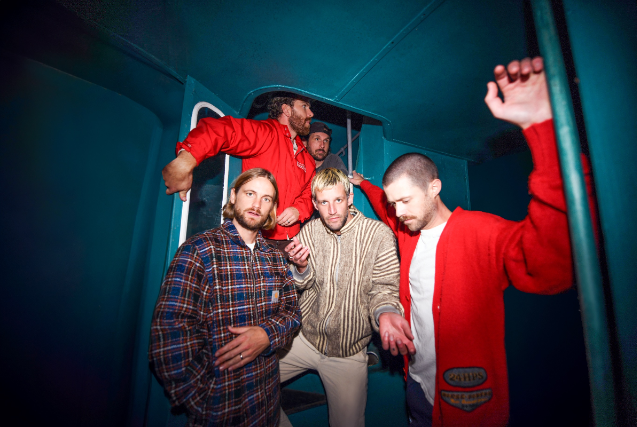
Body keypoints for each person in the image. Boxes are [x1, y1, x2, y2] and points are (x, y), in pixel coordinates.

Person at [349, 57, 595, 426]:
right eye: (393, 202)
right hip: (417, 386)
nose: (397, 212)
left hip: (468, 402)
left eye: (405, 201)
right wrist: (364, 184)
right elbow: (385, 208)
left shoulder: (481, 230)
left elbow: (552, 267)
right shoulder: (405, 228)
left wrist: (542, 128)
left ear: (435, 187)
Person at [149, 168, 302, 427]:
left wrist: (267, 334)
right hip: (220, 412)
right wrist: (204, 401)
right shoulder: (199, 250)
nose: (257, 204)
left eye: (266, 199)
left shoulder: (275, 258)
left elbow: (292, 313)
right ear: (233, 196)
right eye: (250, 194)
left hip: (267, 407)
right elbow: (169, 338)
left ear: (272, 208)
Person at [280, 168, 413, 427]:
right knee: (244, 385)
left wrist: (386, 312)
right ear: (315, 204)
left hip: (348, 352)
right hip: (303, 340)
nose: (332, 211)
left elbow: (384, 288)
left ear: (349, 198)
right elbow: (301, 284)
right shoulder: (309, 231)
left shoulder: (378, 235)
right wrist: (301, 268)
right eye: (324, 202)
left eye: (338, 200)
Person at [162, 93, 317, 251]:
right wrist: (186, 160)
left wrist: (298, 210)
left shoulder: (307, 159)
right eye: (304, 106)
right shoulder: (265, 133)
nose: (311, 113)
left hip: (289, 241)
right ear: (287, 110)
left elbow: (309, 193)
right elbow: (221, 129)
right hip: (253, 235)